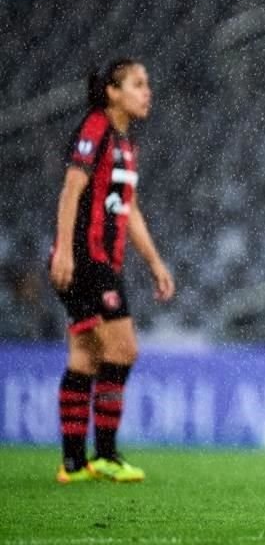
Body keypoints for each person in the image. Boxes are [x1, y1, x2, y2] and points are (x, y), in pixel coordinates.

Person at [50, 59, 175, 484]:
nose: (147, 92)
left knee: (85, 354)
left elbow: (129, 209)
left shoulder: (124, 144)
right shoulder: (96, 129)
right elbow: (72, 189)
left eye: (147, 84)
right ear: (112, 92)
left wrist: (155, 262)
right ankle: (104, 454)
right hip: (88, 259)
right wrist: (64, 250)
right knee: (123, 350)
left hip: (102, 260)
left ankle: (73, 463)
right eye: (137, 84)